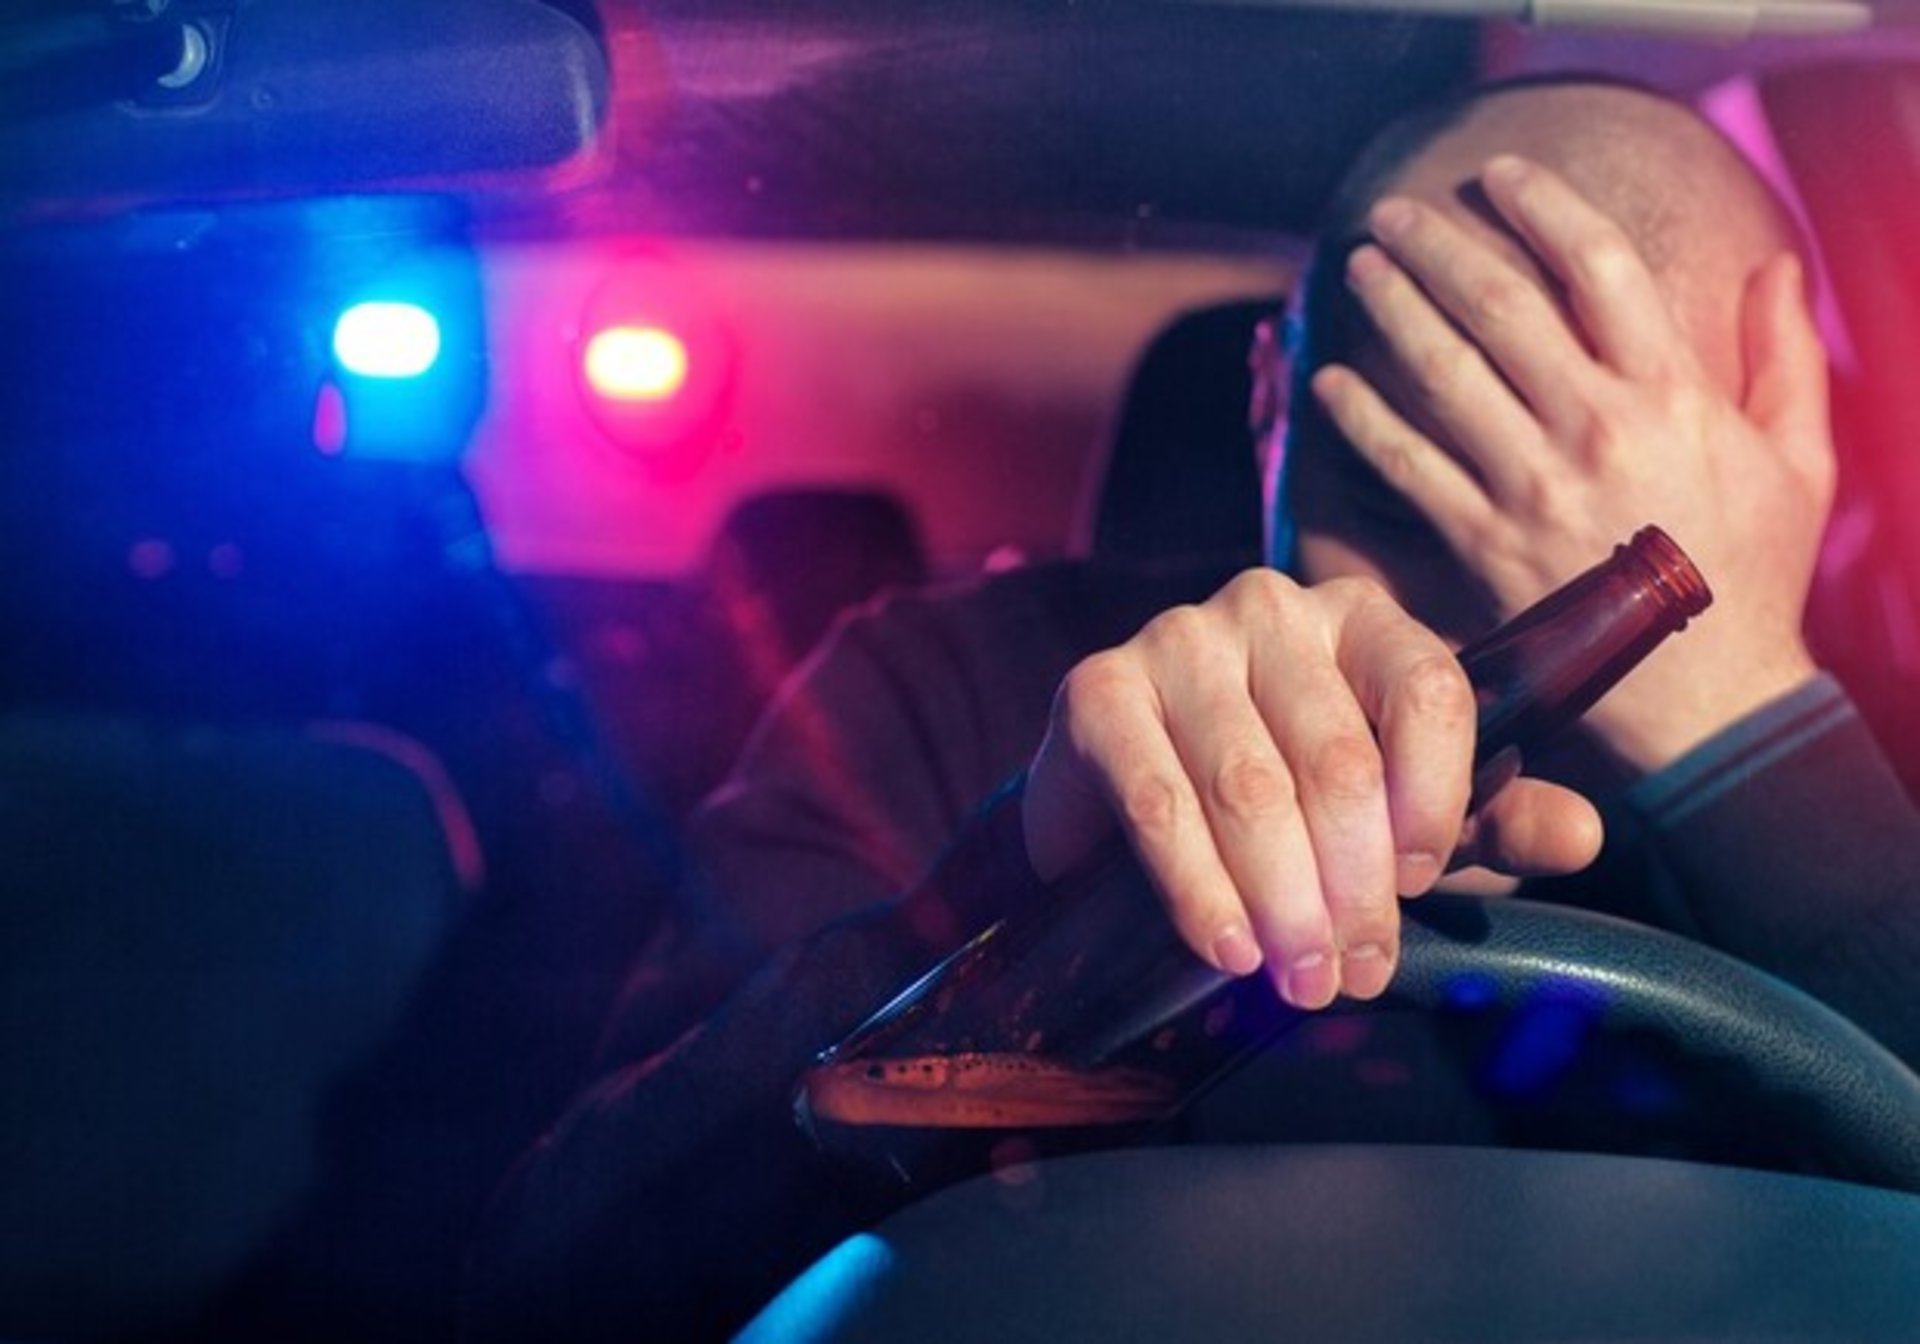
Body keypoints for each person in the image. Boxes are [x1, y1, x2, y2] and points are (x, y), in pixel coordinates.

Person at [463, 76, 1920, 1341]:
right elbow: (560, 1286)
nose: (1456, 670)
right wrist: (1020, 903)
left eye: (1572, 544)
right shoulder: (947, 684)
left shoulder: (1875, 763)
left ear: (1781, 468)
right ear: (1271, 398)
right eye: (1399, 489)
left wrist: (1748, 732)